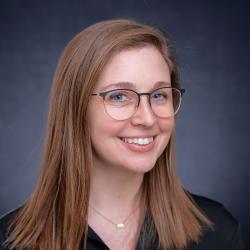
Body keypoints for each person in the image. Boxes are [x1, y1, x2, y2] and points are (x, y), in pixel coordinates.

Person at [0, 19, 246, 250]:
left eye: (159, 95)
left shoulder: (217, 231)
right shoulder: (9, 240)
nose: (147, 118)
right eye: (119, 96)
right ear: (75, 110)